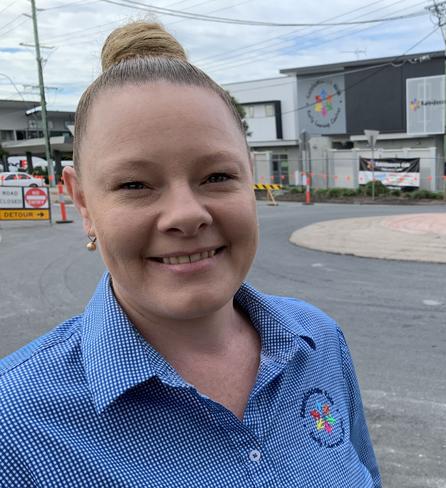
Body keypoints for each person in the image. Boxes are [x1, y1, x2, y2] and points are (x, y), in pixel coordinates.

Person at [0, 21, 380, 487]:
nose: (186, 214)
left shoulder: (319, 342)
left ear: (250, 177)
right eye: (135, 185)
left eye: (217, 176)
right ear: (82, 203)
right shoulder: (15, 427)